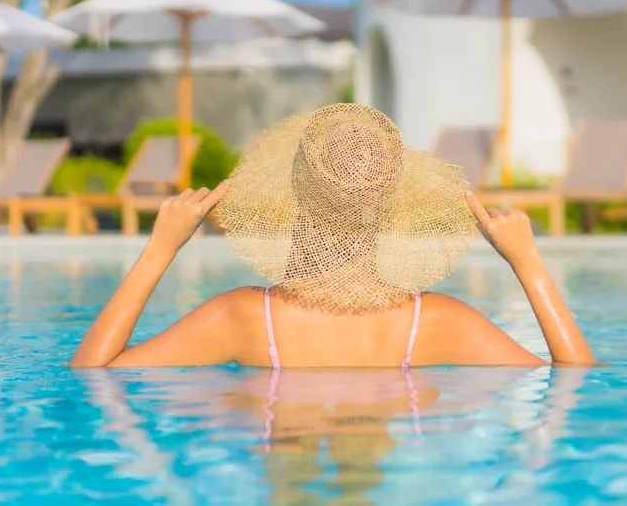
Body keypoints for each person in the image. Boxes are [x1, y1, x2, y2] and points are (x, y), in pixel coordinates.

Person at [70, 104, 596, 369]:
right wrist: (528, 264)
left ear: (288, 202)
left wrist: (160, 250)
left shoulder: (244, 317)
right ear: (393, 208)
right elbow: (575, 378)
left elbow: (93, 372)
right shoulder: (436, 321)